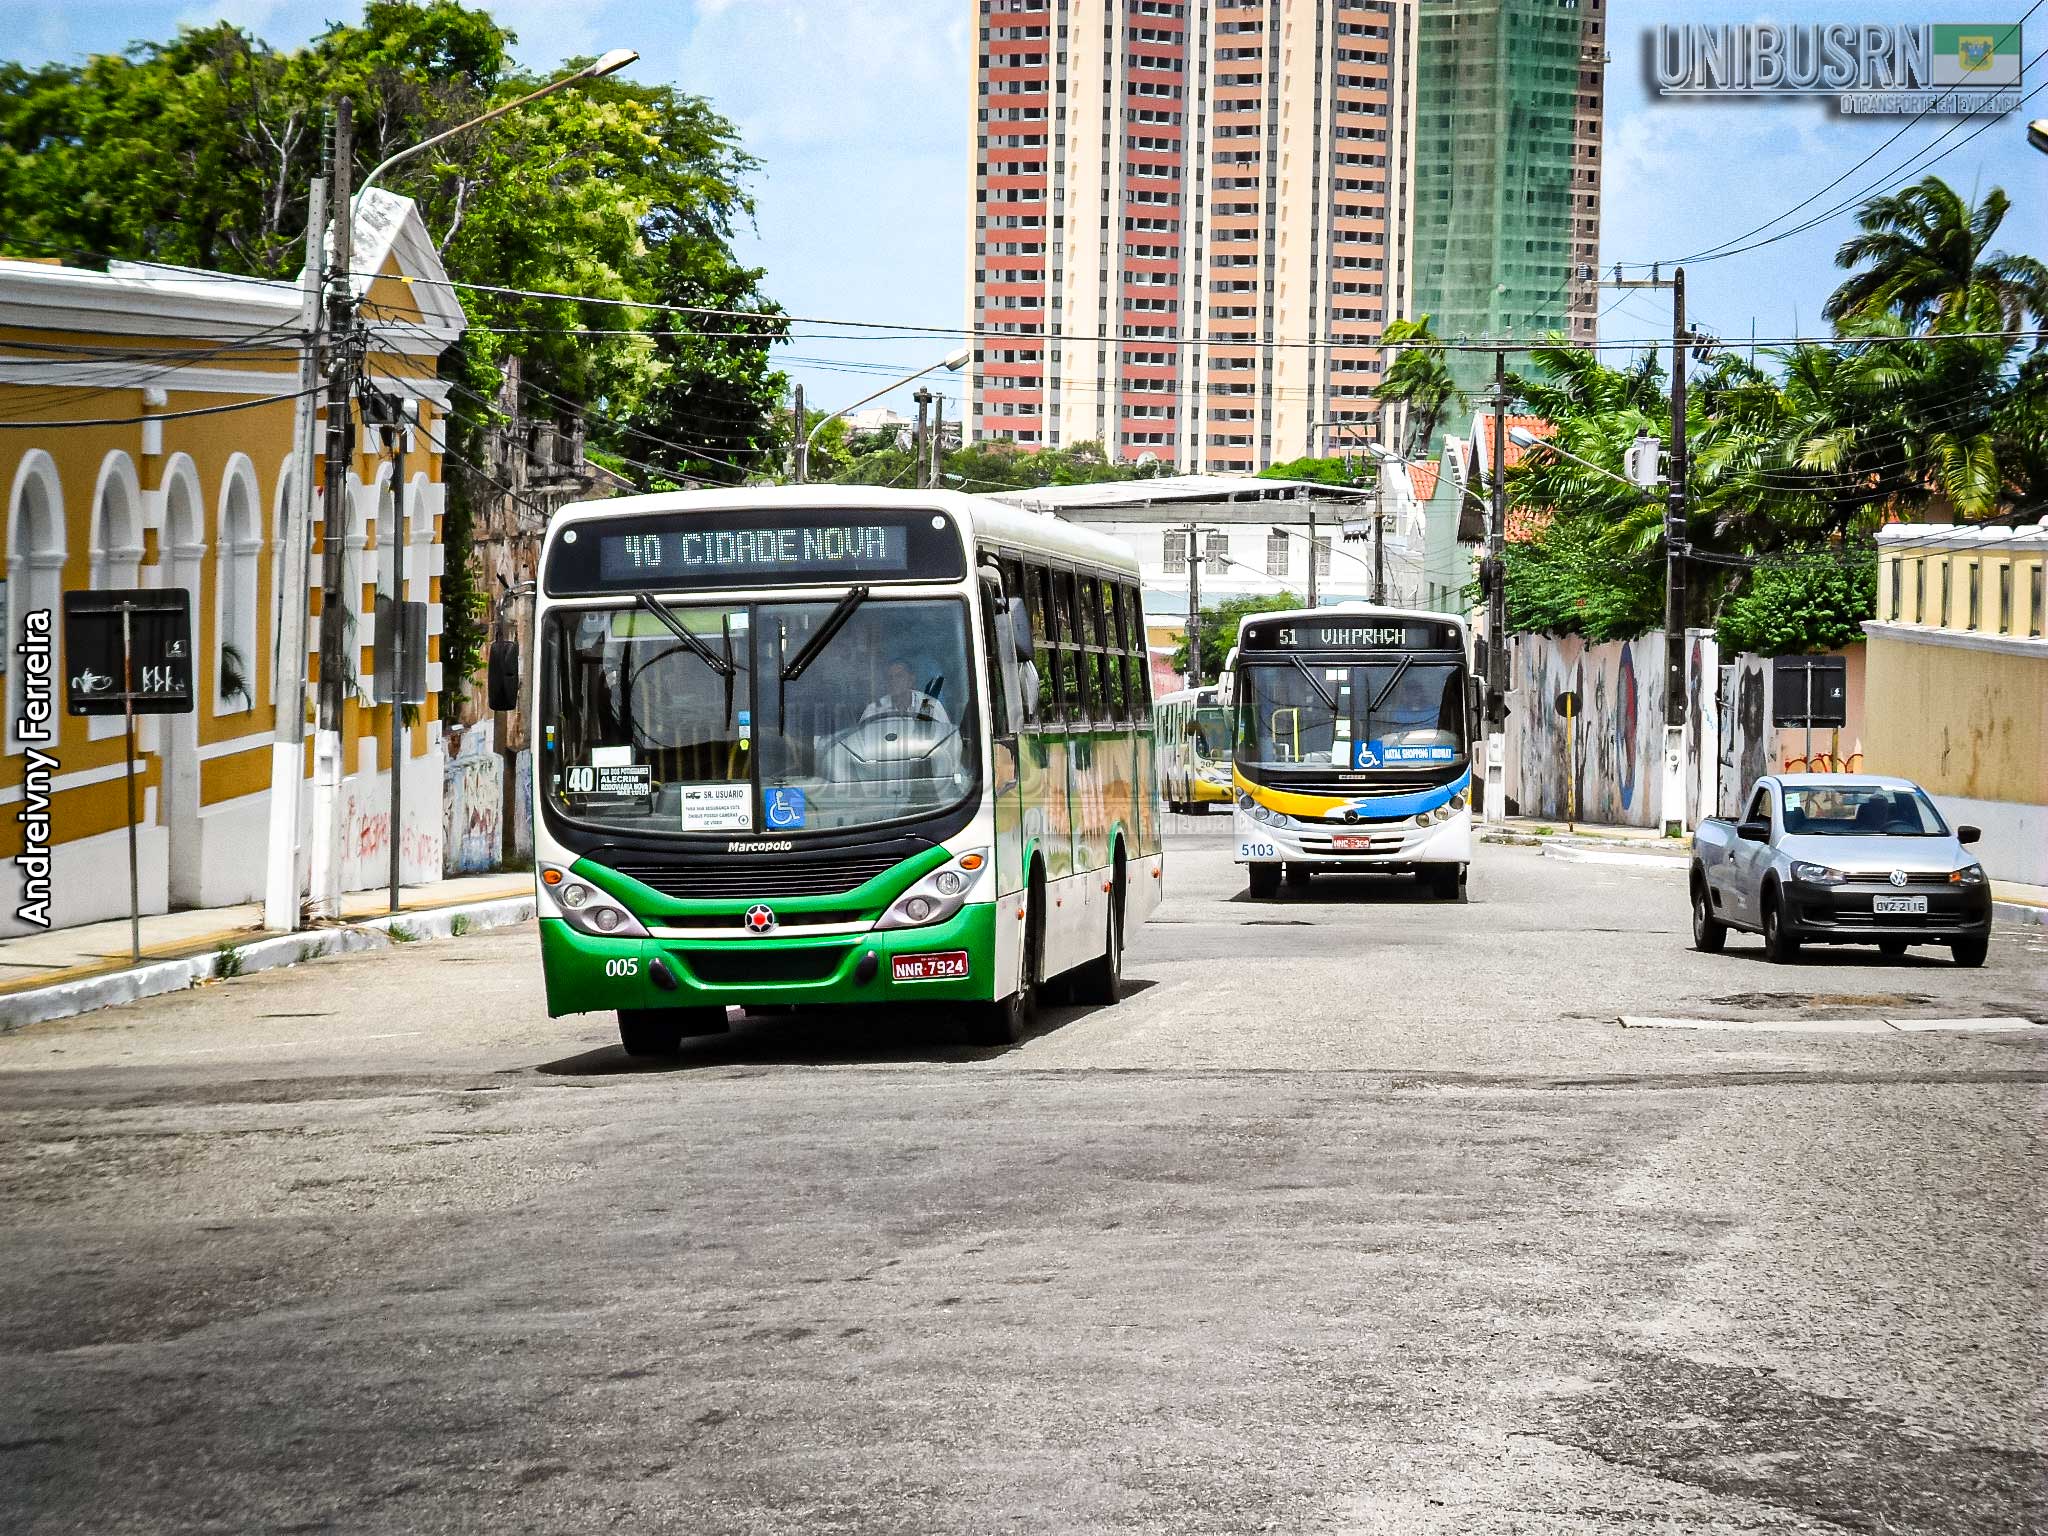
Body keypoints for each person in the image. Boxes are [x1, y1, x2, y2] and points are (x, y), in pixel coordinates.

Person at [862, 658, 948, 725]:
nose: (893, 681)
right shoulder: (874, 710)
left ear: (911, 679)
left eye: (899, 676)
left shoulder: (928, 705)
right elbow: (861, 741)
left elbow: (946, 737)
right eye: (890, 677)